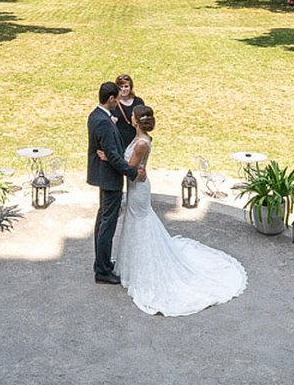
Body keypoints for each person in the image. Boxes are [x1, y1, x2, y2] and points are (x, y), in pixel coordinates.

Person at [113, 106, 247, 316]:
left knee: (140, 223)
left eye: (132, 116)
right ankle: (132, 266)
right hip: (136, 187)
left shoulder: (141, 143)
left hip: (138, 189)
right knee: (135, 222)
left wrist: (109, 159)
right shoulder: (141, 138)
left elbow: (130, 169)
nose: (129, 117)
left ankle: (144, 269)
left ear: (137, 121)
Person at [86, 81, 139, 285]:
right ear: (110, 99)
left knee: (103, 220)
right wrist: (133, 172)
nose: (119, 102)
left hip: (103, 175)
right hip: (109, 178)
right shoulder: (103, 122)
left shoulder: (97, 116)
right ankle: (102, 270)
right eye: (117, 99)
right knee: (107, 224)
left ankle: (102, 262)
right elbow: (113, 157)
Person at [113, 74, 146, 149]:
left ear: (131, 87)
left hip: (136, 139)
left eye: (126, 86)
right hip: (120, 141)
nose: (123, 89)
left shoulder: (138, 102)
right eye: (121, 87)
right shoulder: (113, 103)